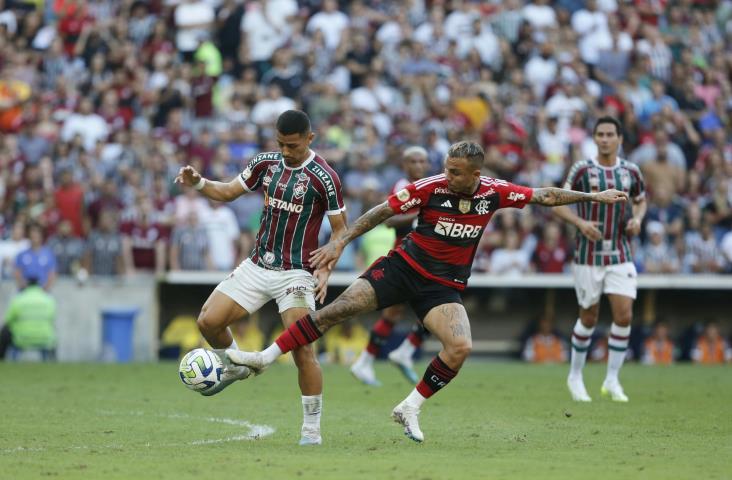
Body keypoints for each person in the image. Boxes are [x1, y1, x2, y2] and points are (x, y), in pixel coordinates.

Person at [227, 140, 627, 443]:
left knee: (460, 347)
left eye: (456, 172)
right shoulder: (430, 187)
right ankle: (264, 358)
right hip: (403, 268)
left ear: (475, 174)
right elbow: (382, 211)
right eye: (447, 168)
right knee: (337, 309)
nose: (448, 176)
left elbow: (545, 195)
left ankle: (409, 407)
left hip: (442, 286)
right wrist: (340, 241)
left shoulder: (494, 192)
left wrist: (594, 197)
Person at [174, 110, 346, 446]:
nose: (285, 151)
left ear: (310, 139)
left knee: (302, 350)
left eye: (292, 145)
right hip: (257, 264)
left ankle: (311, 429)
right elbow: (226, 192)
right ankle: (237, 365)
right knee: (208, 322)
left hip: (296, 272)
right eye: (280, 143)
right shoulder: (266, 163)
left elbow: (341, 232)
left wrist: (325, 268)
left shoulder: (325, 178)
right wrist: (199, 182)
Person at [553, 116, 647, 403]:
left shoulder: (631, 170)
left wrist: (638, 220)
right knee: (589, 317)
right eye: (600, 134)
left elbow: (641, 199)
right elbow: (558, 202)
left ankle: (612, 380)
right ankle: (575, 376)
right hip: (587, 254)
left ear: (619, 138)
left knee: (624, 314)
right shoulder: (582, 169)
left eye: (609, 134)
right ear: (594, 138)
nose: (604, 139)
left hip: (620, 252)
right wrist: (580, 224)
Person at [350, 146, 431, 386]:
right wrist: (420, 216)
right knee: (441, 303)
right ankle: (403, 351)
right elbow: (390, 220)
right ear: (404, 165)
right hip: (407, 259)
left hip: (419, 257)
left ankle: (365, 361)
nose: (418, 165)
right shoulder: (403, 188)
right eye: (413, 161)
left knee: (395, 314)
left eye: (422, 161)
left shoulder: (429, 186)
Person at [0, 277, 57, 361]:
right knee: (52, 335)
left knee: (5, 331)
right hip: (44, 337)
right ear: (39, 285)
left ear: (27, 285)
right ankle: (51, 361)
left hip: (21, 337)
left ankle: (4, 360)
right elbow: (52, 318)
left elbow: (9, 320)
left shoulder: (18, 299)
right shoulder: (48, 299)